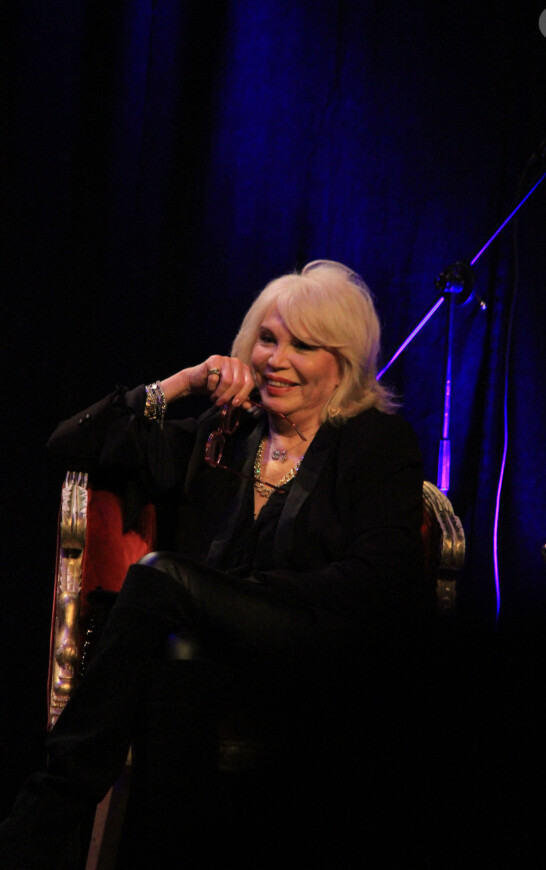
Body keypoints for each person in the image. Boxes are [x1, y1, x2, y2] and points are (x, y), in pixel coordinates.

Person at [0, 259, 426, 868]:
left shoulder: (374, 443)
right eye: (268, 338)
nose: (276, 359)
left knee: (157, 579)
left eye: (302, 346)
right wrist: (182, 383)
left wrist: (251, 594)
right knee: (174, 664)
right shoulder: (224, 432)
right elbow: (69, 443)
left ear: (344, 363)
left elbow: (385, 576)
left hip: (319, 649)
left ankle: (34, 826)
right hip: (218, 654)